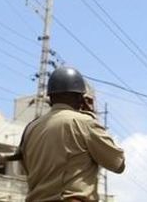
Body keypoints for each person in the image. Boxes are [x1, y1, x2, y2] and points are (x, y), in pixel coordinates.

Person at [18, 66, 125, 201]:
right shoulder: (84, 123)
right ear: (81, 98)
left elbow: (24, 169)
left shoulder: (31, 129)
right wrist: (92, 115)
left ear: (50, 97)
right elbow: (117, 163)